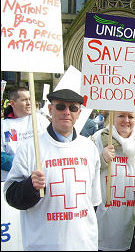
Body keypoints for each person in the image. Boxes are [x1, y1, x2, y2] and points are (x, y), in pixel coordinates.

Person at [3, 89, 102, 250]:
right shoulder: (30, 148)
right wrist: (30, 186)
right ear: (50, 110)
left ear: (79, 113)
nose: (67, 112)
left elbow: (93, 202)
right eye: (60, 107)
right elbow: (11, 195)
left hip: (83, 244)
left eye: (73, 108)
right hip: (44, 244)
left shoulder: (89, 148)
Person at [92, 111, 135, 250]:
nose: (126, 120)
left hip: (133, 221)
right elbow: (86, 174)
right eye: (121, 116)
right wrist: (102, 160)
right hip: (105, 221)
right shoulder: (99, 139)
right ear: (112, 117)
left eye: (131, 117)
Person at [1, 87, 50, 181]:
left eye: (30, 99)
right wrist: (22, 167)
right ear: (12, 103)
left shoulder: (40, 120)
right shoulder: (4, 125)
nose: (29, 103)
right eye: (24, 100)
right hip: (13, 180)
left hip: (40, 178)